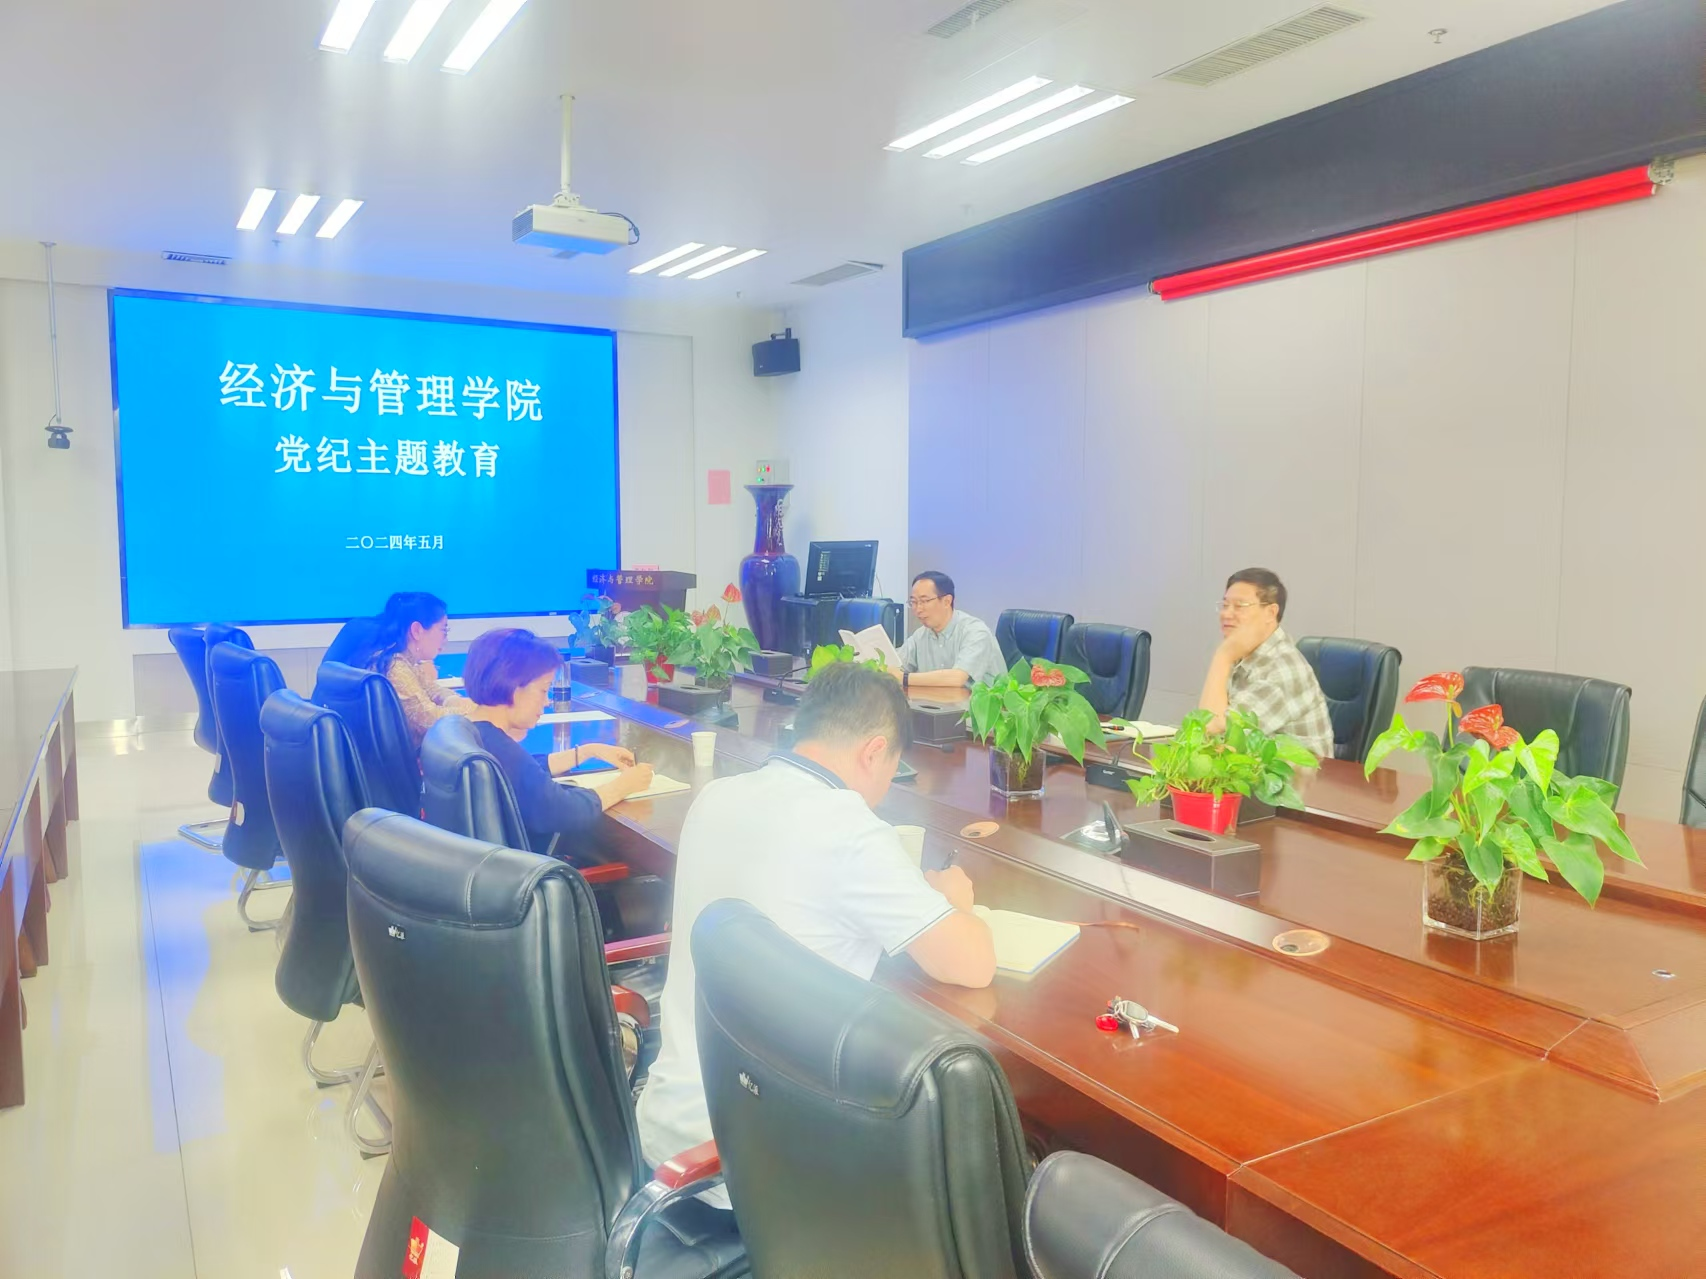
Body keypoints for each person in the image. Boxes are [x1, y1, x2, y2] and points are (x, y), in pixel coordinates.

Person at [636, 664, 995, 1203]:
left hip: (668, 1137)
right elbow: (971, 965)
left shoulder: (718, 796)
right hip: (761, 1170)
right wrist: (955, 903)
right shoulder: (847, 828)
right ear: (875, 752)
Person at [461, 628, 656, 854]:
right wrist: (625, 785)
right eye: (543, 690)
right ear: (515, 688)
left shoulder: (468, 731)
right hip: (532, 868)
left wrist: (587, 752)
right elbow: (561, 811)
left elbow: (524, 773)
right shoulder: (501, 750)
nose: (547, 701)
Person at [1199, 568, 1333, 759]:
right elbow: (1208, 735)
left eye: (1239, 606)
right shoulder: (1242, 652)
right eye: (1225, 605)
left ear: (1271, 612)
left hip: (1302, 777)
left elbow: (1214, 728)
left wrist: (1222, 656)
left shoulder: (1282, 669)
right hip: (1251, 770)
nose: (1227, 614)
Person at [370, 592, 476, 748]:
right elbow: (431, 719)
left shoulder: (406, 661)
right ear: (417, 630)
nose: (445, 640)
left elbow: (433, 690)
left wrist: (455, 701)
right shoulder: (395, 668)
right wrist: (482, 712)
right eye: (443, 631)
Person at [896, 570, 1008, 688]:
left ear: (947, 601)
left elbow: (958, 678)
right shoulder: (920, 635)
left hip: (980, 700)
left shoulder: (976, 632)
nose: (918, 609)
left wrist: (904, 678)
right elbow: (896, 666)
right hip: (939, 699)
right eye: (913, 602)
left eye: (924, 601)